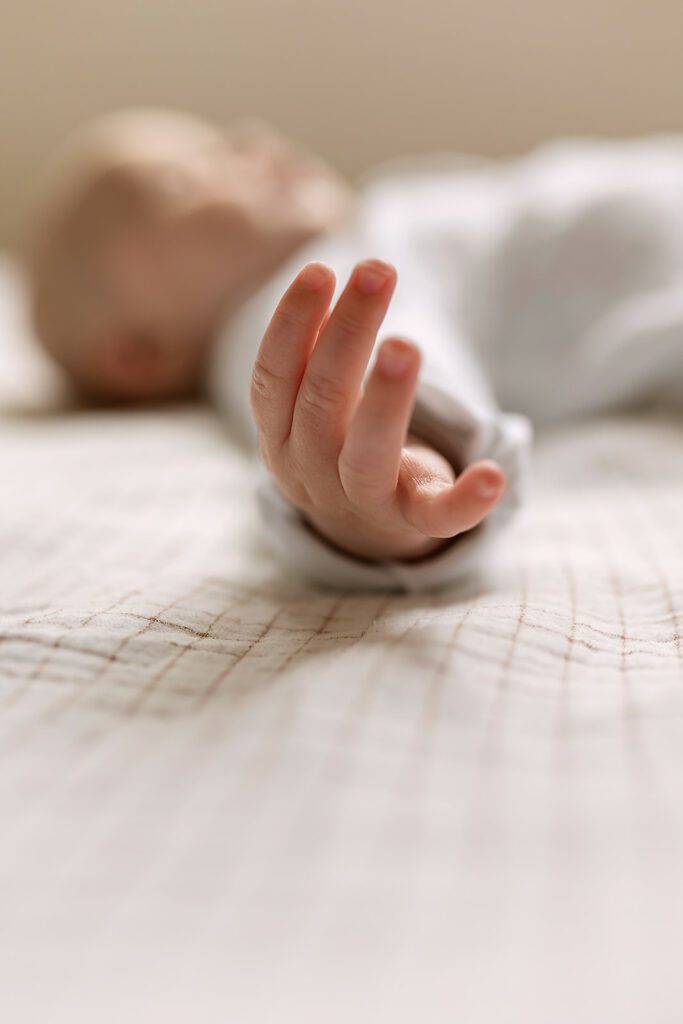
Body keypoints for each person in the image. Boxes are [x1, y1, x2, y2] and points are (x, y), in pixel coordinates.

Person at [23, 109, 683, 590]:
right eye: (180, 183)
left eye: (223, 140)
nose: (251, 142)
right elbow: (345, 381)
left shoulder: (373, 214)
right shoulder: (283, 304)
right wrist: (388, 479)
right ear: (139, 355)